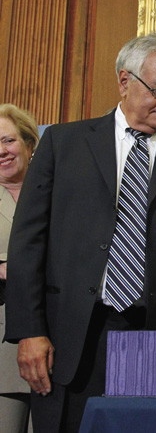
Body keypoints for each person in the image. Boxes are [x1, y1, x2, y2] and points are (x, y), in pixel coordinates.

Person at [4, 34, 156, 433]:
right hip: (70, 340)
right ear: (125, 81)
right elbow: (28, 244)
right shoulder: (63, 144)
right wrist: (30, 331)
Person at [0, 104, 38, 433]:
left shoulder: (56, 194)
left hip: (53, 350)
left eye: (8, 141)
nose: (1, 151)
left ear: (29, 144)